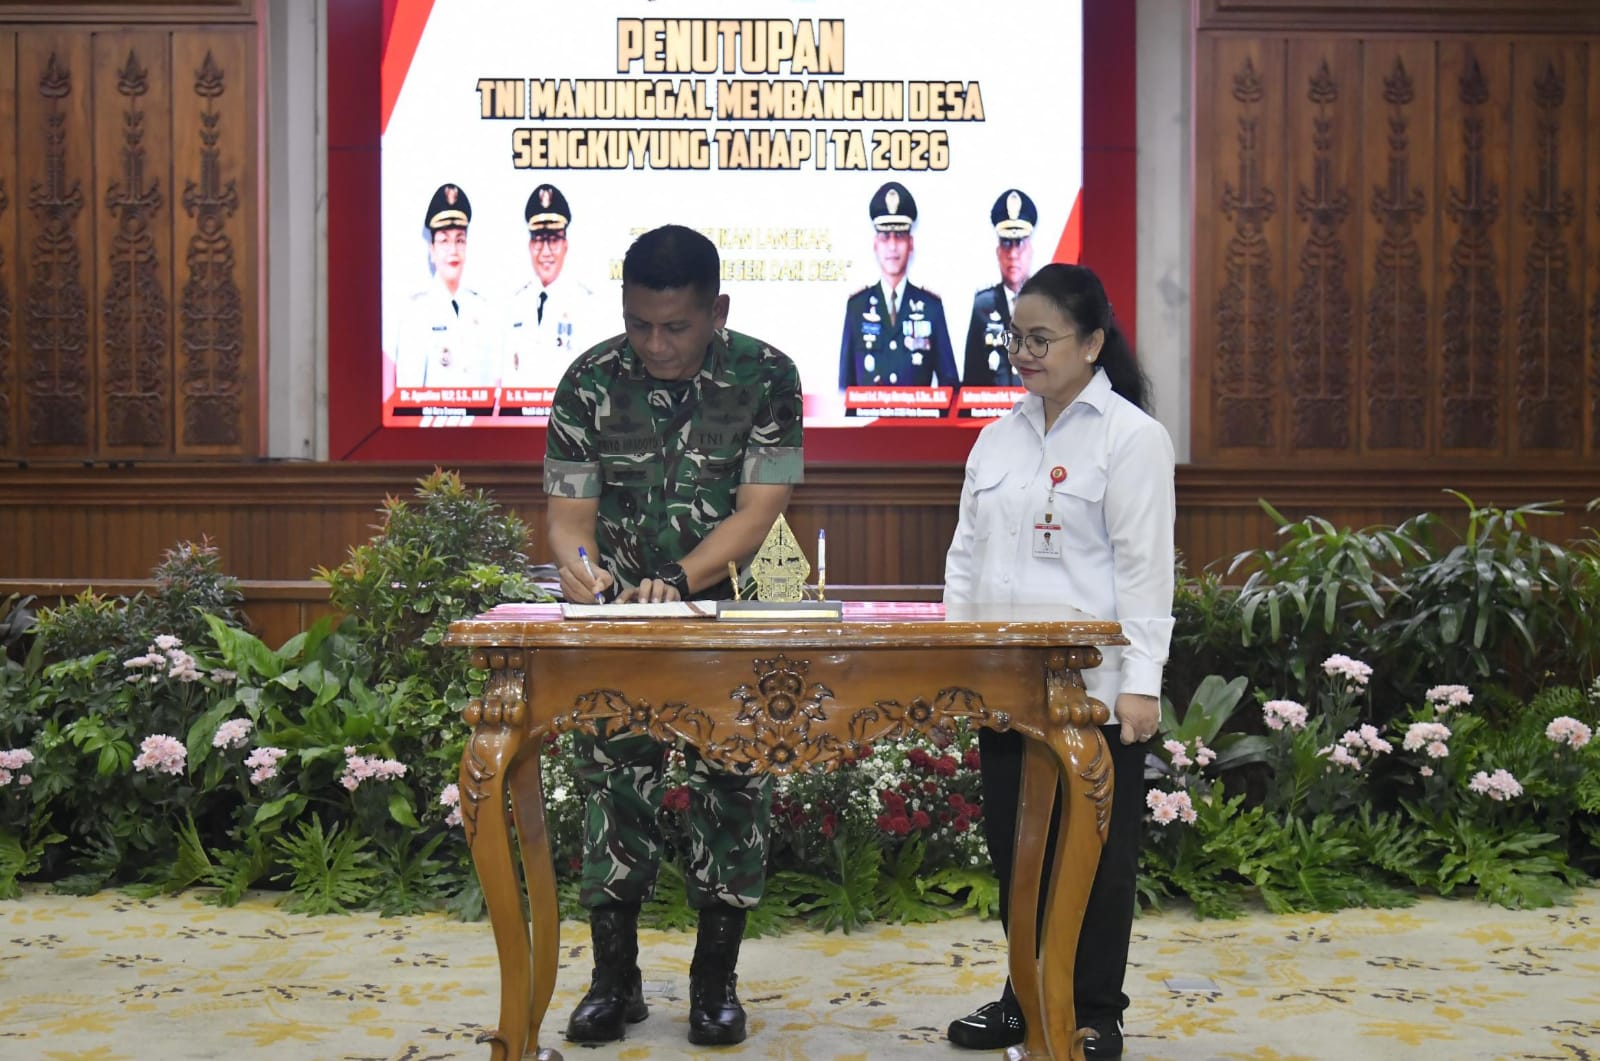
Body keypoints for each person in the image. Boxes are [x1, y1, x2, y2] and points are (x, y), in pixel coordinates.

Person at [543, 223, 805, 1047]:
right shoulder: (589, 381)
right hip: (620, 622)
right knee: (611, 786)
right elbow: (569, 522)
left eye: (676, 327)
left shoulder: (766, 376)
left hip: (728, 620)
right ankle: (613, 979)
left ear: (717, 311)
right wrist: (582, 571)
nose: (655, 344)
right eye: (639, 324)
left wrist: (679, 580)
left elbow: (760, 514)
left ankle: (714, 982)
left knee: (734, 787)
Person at [942, 263, 1175, 1060]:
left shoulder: (1131, 438)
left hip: (1094, 691)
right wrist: (956, 669)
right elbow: (965, 563)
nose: (1022, 353)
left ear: (1093, 343)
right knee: (1016, 852)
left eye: (1041, 339)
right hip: (1004, 688)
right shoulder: (997, 438)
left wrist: (1141, 683)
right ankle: (1024, 996)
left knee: (1097, 859)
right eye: (1016, 337)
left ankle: (1093, 1012)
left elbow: (1146, 570)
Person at [837, 180, 958, 390]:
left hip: (918, 413)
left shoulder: (931, 307)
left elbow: (950, 384)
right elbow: (845, 387)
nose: (892, 246)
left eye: (900, 236)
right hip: (869, 413)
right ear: (875, 244)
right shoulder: (857, 306)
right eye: (885, 236)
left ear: (910, 244)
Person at [392, 183, 496, 388]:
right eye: (444, 241)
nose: (453, 250)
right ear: (431, 250)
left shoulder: (482, 309)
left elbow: (490, 389)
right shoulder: (416, 313)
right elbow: (408, 394)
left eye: (460, 240)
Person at [502, 182, 601, 387]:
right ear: (530, 245)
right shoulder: (514, 304)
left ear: (565, 245)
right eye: (539, 240)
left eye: (554, 240)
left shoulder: (585, 305)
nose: (546, 252)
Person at [961, 188, 1037, 387]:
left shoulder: (1047, 304)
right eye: (1006, 243)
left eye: (1019, 243)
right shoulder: (983, 305)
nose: (1013, 254)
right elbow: (971, 382)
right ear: (997, 251)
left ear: (1030, 250)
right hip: (992, 406)